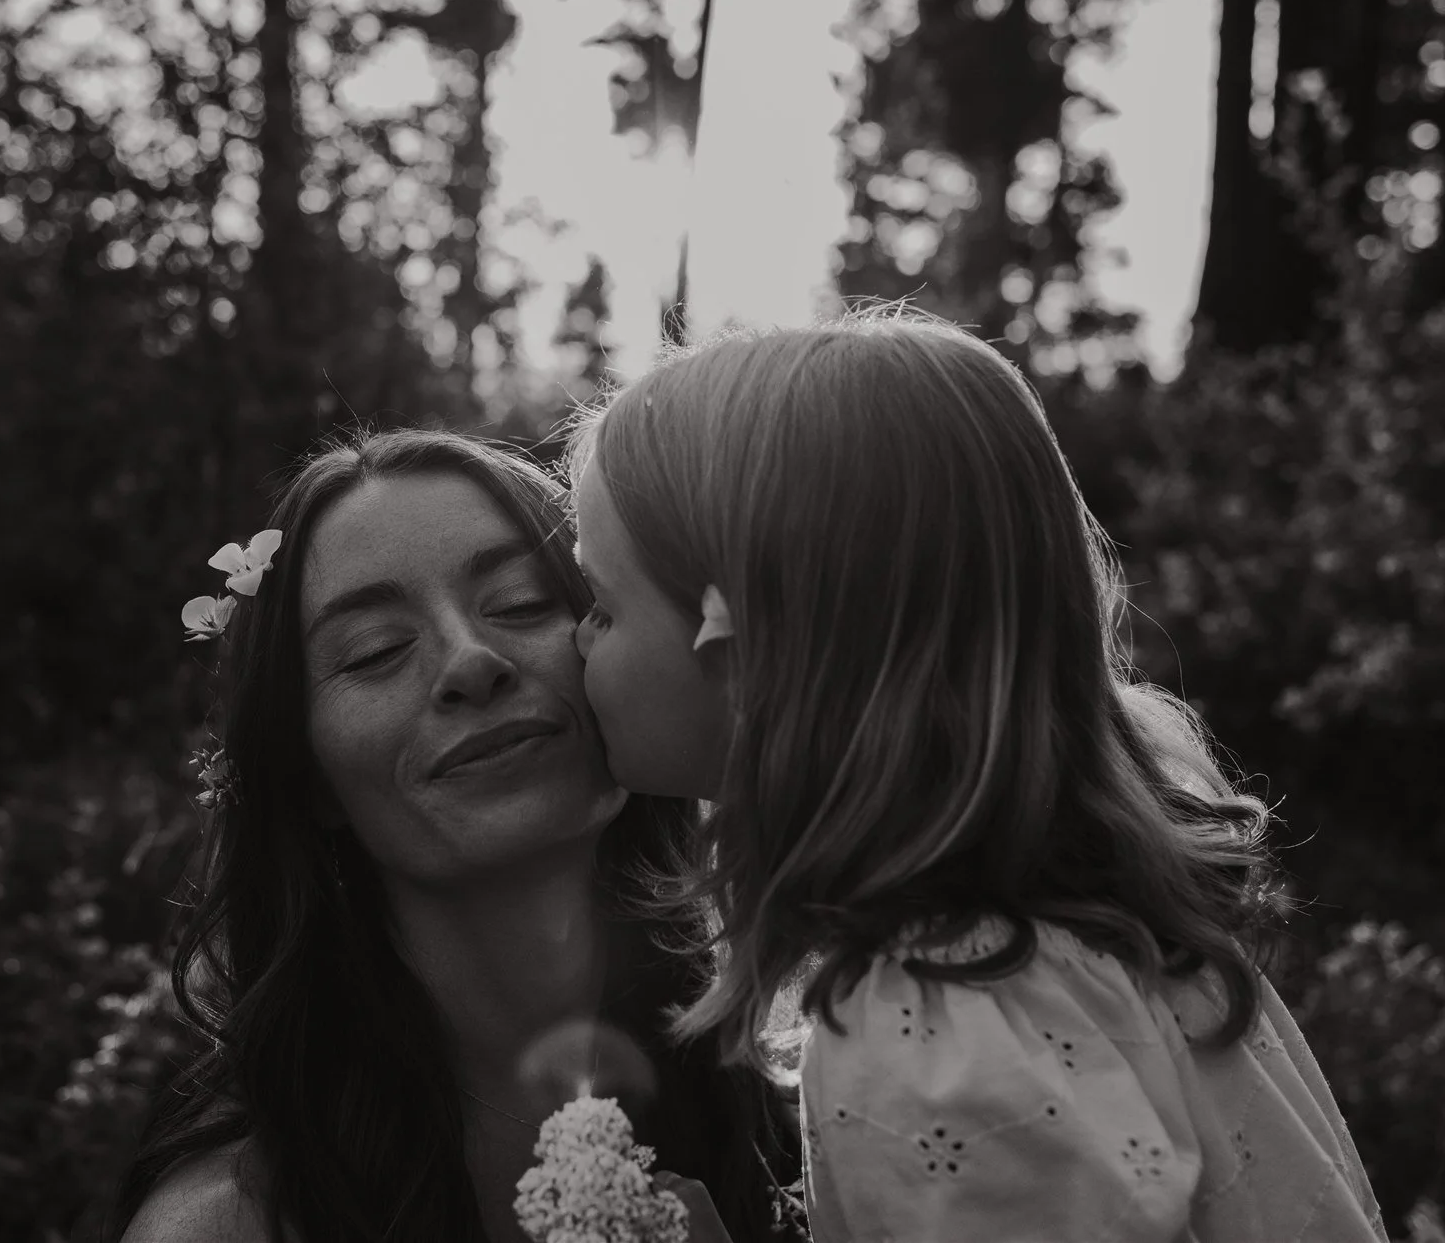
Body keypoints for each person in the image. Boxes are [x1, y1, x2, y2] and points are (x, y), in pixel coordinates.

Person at [567, 312, 1389, 1242]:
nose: (575, 639)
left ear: (744, 654)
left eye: (602, 603)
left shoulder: (928, 1031)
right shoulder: (1091, 932)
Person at [114, 429, 800, 1243]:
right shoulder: (233, 1224)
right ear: (308, 780)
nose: (470, 661)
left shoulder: (802, 1097)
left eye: (520, 602)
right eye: (374, 651)